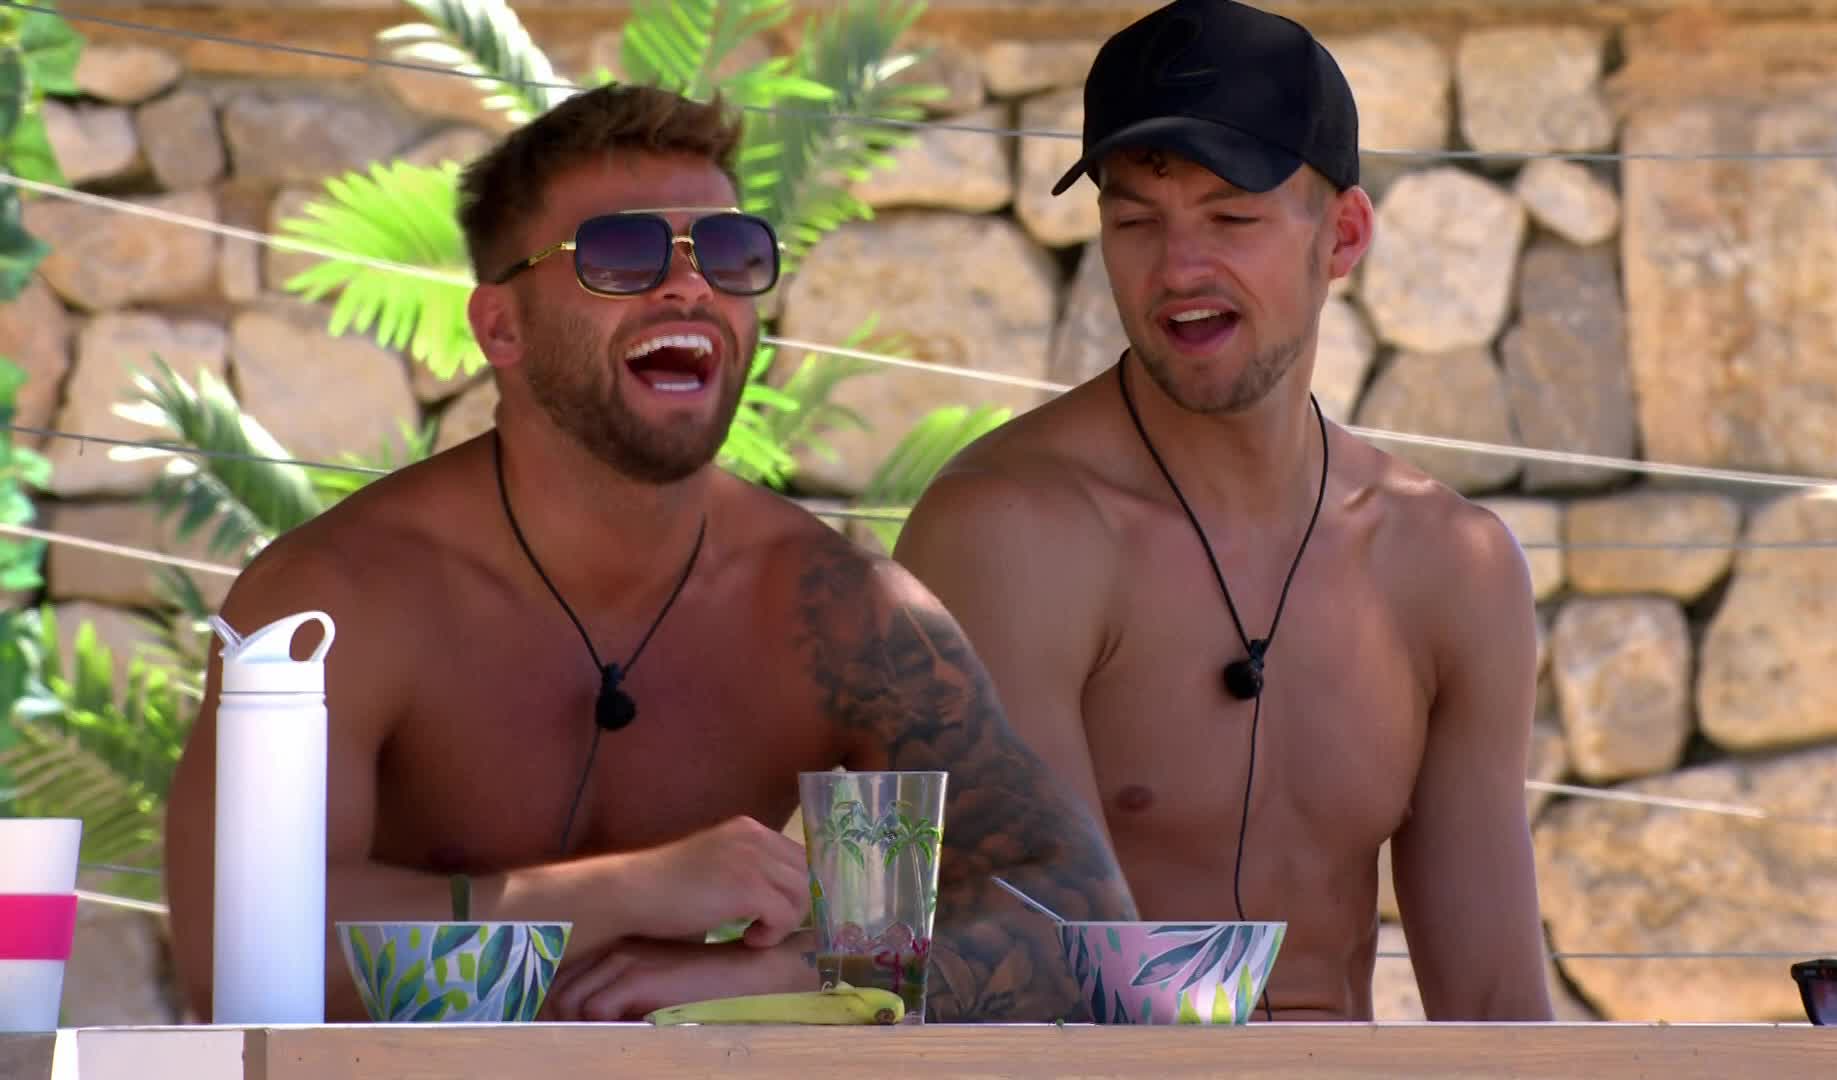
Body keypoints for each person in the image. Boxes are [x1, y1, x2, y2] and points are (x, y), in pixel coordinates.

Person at [163, 82, 1136, 1025]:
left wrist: (788, 972)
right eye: (620, 254)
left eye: (730, 253)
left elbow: (1080, 925)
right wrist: (629, 891)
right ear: (501, 325)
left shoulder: (840, 610)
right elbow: (236, 962)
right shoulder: (339, 599)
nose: (688, 284)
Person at [893, 0, 1554, 1021]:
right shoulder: (1010, 536)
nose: (1178, 269)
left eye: (1231, 218)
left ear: (1342, 236)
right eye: (1134, 221)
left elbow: (1497, 1007)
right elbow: (1027, 986)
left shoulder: (1449, 565)